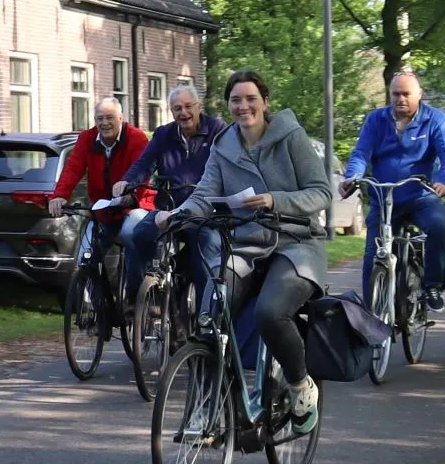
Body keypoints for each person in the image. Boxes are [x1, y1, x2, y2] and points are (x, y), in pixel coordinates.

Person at [165, 70, 333, 433]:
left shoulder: (291, 137)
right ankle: (209, 403)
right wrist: (175, 216)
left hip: (296, 243)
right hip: (247, 244)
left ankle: (301, 384)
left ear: (265, 102)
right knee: (210, 313)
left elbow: (322, 192)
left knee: (270, 313)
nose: (243, 106)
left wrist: (278, 200)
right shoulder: (223, 146)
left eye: (250, 98)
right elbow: (204, 194)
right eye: (236, 100)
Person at [341, 71, 445, 312]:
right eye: (395, 94)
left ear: (419, 95)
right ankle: (370, 315)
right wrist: (352, 176)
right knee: (372, 257)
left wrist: (443, 180)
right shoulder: (376, 120)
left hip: (421, 196)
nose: (400, 99)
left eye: (406, 94)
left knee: (440, 227)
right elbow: (361, 153)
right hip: (384, 199)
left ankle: (431, 285)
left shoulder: (435, 119)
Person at [48, 97, 152, 339]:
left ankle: (135, 295)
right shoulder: (87, 139)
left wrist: (131, 195)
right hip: (102, 210)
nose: (104, 123)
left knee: (133, 236)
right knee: (84, 258)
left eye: (109, 118)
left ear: (121, 119)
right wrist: (59, 196)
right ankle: (96, 311)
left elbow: (143, 170)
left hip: (131, 207)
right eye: (99, 118)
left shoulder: (136, 139)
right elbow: (73, 168)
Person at [115, 83, 227, 296]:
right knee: (139, 234)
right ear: (171, 111)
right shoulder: (164, 134)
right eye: (177, 108)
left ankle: (206, 317)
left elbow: (227, 167)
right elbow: (144, 164)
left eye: (188, 106)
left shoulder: (217, 130)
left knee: (206, 253)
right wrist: (127, 182)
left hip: (203, 213)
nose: (183, 113)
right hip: (169, 209)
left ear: (198, 106)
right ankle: (150, 291)